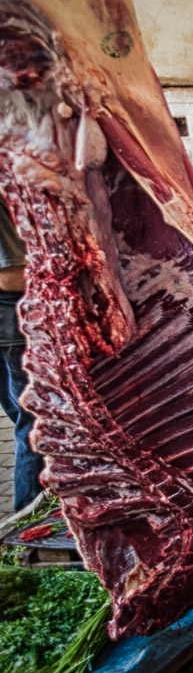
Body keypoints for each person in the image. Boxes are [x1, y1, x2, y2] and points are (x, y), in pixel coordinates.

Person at [0, 200, 40, 512]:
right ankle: (30, 521)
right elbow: (12, 277)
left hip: (8, 329)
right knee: (35, 426)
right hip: (12, 325)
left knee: (21, 420)